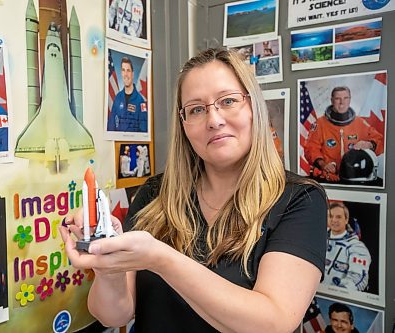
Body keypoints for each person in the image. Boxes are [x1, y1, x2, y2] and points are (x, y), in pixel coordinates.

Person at [60, 48, 327, 332]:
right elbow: (113, 316)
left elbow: (272, 323)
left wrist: (160, 258)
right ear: (184, 124)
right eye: (197, 109)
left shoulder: (300, 199)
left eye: (228, 101)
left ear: (253, 109)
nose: (214, 120)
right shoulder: (155, 194)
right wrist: (108, 265)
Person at [304, 86, 383, 182]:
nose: (342, 102)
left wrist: (370, 144)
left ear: (349, 100)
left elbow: (380, 140)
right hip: (327, 176)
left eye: (345, 98)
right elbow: (311, 148)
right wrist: (324, 165)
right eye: (338, 99)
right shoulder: (320, 124)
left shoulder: (360, 123)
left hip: (353, 177)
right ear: (332, 100)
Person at [324, 202, 371, 291]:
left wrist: (342, 289)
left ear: (346, 220)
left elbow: (358, 279)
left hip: (338, 297)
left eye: (338, 217)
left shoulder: (356, 247)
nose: (334, 220)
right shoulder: (318, 238)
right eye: (330, 216)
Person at [107, 57, 147, 133]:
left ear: (132, 74)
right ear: (121, 73)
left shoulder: (140, 101)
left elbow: (144, 130)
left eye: (128, 70)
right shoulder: (117, 98)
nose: (126, 74)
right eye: (123, 70)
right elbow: (111, 126)